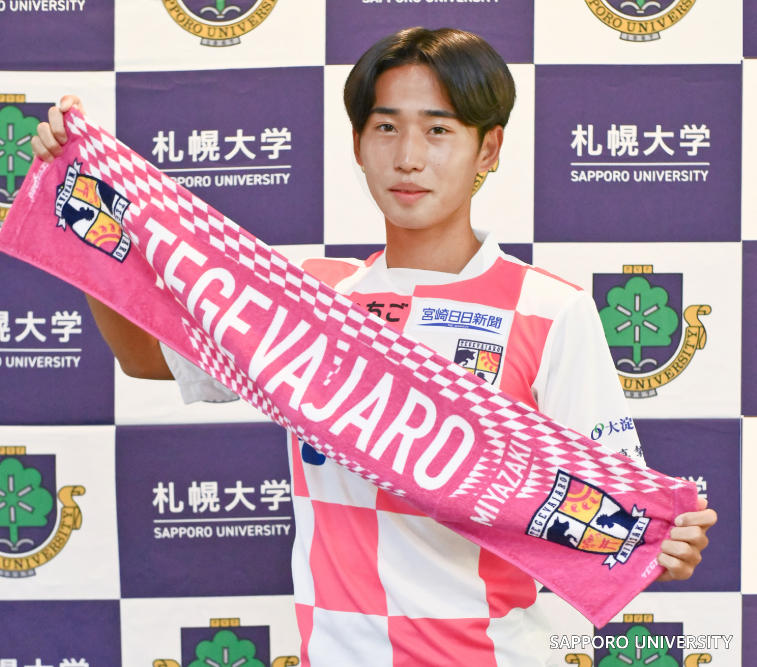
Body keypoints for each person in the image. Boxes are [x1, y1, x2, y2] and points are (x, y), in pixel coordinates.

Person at [32, 27, 716, 666]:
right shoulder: (310, 299)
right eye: (386, 127)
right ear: (357, 144)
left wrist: (664, 544)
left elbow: (611, 510)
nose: (408, 157)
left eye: (439, 130)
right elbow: (143, 358)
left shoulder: (549, 308)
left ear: (488, 149)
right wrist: (85, 212)